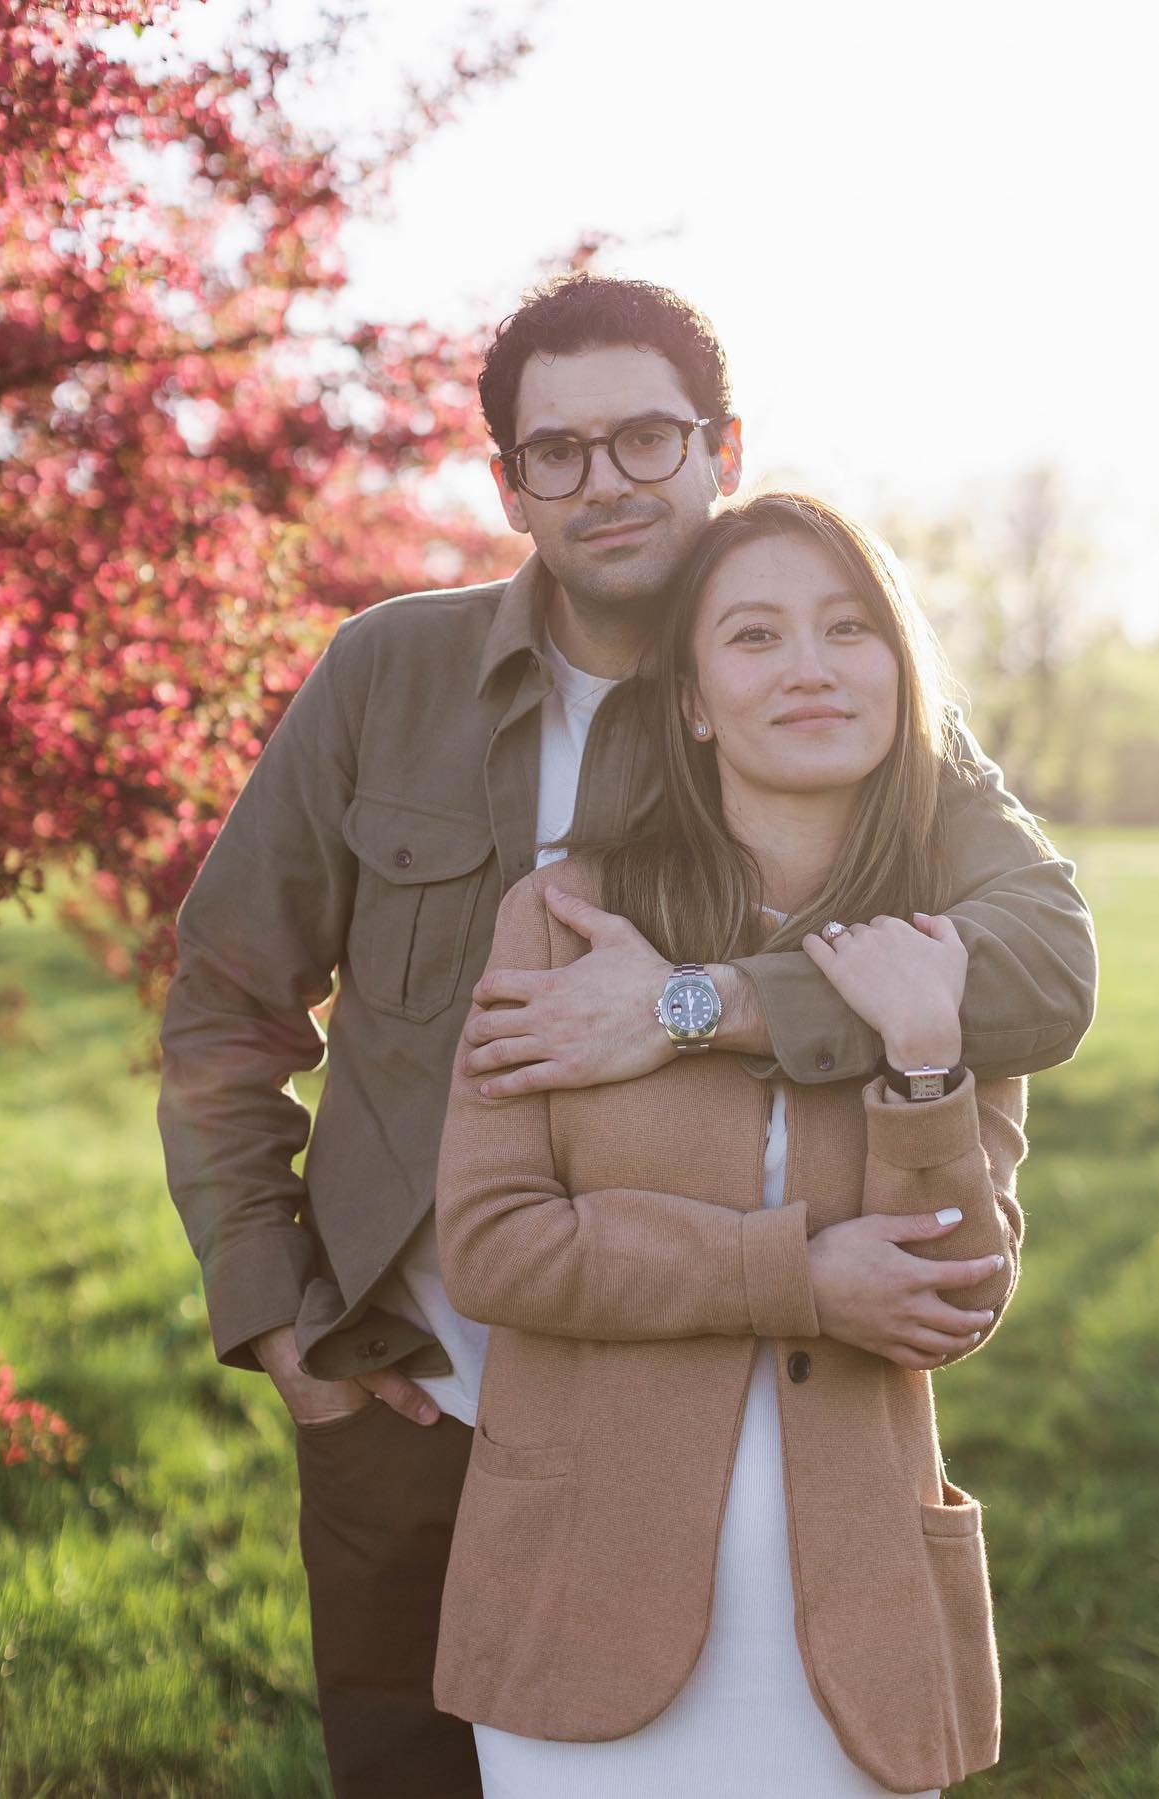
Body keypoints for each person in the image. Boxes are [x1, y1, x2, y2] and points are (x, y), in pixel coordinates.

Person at [155, 273, 1096, 1799]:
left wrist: (694, 1006)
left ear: (722, 444)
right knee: (411, 1774)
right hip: (421, 1386)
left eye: (647, 439)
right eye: (559, 452)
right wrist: (284, 1322)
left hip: (741, 1407)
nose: (606, 484)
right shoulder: (389, 677)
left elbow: (1043, 973)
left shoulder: (829, 695)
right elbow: (223, 1008)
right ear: (508, 483)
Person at [432, 492, 1033, 1797]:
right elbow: (491, 1248)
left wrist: (927, 1056)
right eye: (756, 636)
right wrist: (799, 1279)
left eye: (848, 630)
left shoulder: (946, 950)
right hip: (582, 1606)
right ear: (694, 697)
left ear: (899, 670)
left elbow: (957, 1299)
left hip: (859, 1627)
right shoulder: (563, 921)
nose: (812, 667)